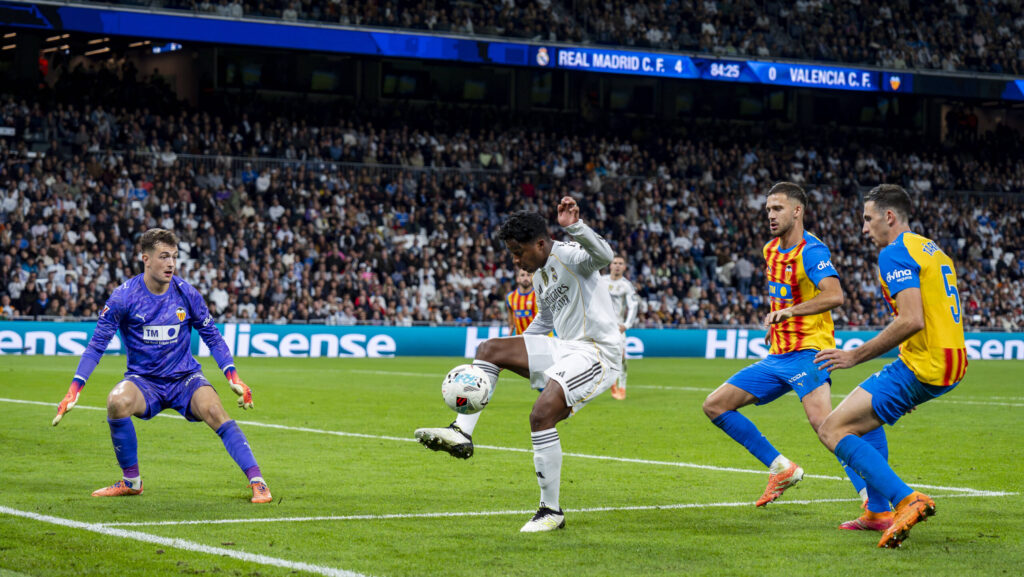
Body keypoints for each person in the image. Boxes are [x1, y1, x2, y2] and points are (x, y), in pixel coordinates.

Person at [414, 197, 622, 532]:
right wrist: (518, 346)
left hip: (596, 352)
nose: (515, 260)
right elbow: (545, 320)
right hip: (565, 347)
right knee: (491, 348)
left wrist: (575, 226)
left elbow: (604, 257)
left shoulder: (569, 255)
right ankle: (460, 432)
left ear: (540, 243)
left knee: (541, 415)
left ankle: (550, 511)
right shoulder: (540, 274)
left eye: (518, 251)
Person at [52, 228, 272, 503]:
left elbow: (212, 336)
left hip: (185, 379)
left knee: (215, 409)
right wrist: (75, 389)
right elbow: (97, 345)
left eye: (174, 257)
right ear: (146, 259)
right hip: (144, 381)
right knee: (116, 402)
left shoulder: (186, 294)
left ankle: (258, 480)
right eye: (164, 256)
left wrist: (233, 376)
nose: (170, 263)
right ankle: (131, 481)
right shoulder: (124, 297)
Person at [816, 184, 967, 548]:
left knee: (832, 429)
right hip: (949, 360)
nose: (864, 228)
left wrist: (853, 355)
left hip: (924, 364)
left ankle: (905, 500)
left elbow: (911, 319)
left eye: (868, 219)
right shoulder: (931, 249)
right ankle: (877, 512)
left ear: (889, 217)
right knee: (862, 416)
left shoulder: (894, 252)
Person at [701, 182, 847, 507]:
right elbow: (783, 296)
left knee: (829, 427)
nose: (770, 214)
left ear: (797, 211)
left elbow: (834, 294)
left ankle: (875, 499)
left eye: (777, 208)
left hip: (809, 352)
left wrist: (791, 312)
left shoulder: (812, 250)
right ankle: (780, 467)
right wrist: (775, 320)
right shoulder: (770, 250)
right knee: (715, 405)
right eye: (768, 209)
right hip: (778, 355)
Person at [602, 255, 638, 400]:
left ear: (624, 267)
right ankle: (611, 383)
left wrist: (626, 325)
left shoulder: (626, 285)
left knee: (621, 357)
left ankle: (622, 386)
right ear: (610, 265)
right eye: (615, 263)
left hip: (617, 327)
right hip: (601, 326)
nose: (617, 265)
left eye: (620, 263)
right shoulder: (601, 281)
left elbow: (633, 306)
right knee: (601, 357)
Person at [506, 267, 539, 336]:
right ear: (517, 278)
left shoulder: (539, 295)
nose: (525, 278)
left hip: (540, 339)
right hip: (521, 341)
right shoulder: (510, 297)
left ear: (532, 277)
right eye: (522, 275)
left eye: (528, 275)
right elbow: (511, 323)